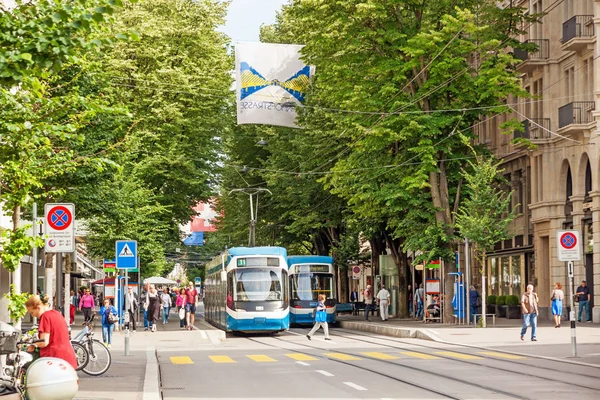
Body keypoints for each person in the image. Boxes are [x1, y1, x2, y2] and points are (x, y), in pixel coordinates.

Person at [25, 295, 78, 369]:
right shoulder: (56, 313)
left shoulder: (45, 317)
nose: (33, 315)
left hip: (54, 359)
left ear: (38, 308)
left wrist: (33, 345)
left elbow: (44, 342)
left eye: (32, 312)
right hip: (67, 358)